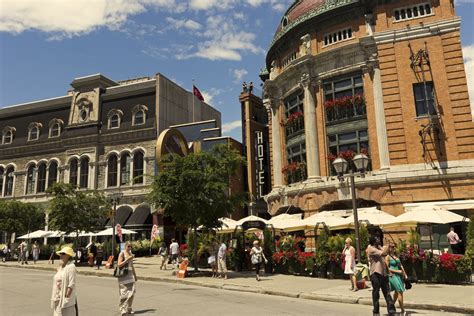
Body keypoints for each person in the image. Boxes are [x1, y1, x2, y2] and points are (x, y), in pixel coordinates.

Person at [367, 236, 396, 316]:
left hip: (383, 273)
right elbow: (384, 253)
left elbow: (386, 253)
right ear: (373, 241)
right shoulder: (371, 248)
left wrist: (388, 271)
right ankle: (376, 312)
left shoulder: (378, 247)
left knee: (387, 293)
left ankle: (392, 311)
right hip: (375, 273)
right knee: (376, 293)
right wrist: (387, 244)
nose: (379, 240)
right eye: (377, 239)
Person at [51, 246, 78, 316]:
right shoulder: (61, 267)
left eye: (63, 254)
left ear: (68, 255)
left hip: (64, 301)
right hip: (57, 298)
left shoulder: (71, 267)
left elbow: (71, 284)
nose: (61, 255)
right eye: (61, 254)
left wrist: (66, 298)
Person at [386, 243, 407, 314]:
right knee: (399, 291)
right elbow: (387, 268)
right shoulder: (387, 257)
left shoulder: (396, 256)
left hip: (399, 275)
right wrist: (397, 271)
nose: (393, 248)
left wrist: (404, 273)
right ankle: (402, 310)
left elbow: (400, 265)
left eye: (394, 246)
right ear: (388, 248)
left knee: (396, 292)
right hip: (392, 275)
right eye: (391, 247)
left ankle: (391, 306)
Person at [117, 241, 137, 316]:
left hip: (130, 276)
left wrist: (135, 275)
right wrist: (127, 260)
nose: (129, 248)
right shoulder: (122, 253)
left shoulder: (131, 254)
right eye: (128, 246)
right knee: (124, 294)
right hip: (123, 276)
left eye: (130, 246)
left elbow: (131, 266)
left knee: (132, 292)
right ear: (125, 246)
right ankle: (122, 309)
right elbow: (119, 265)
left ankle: (129, 307)